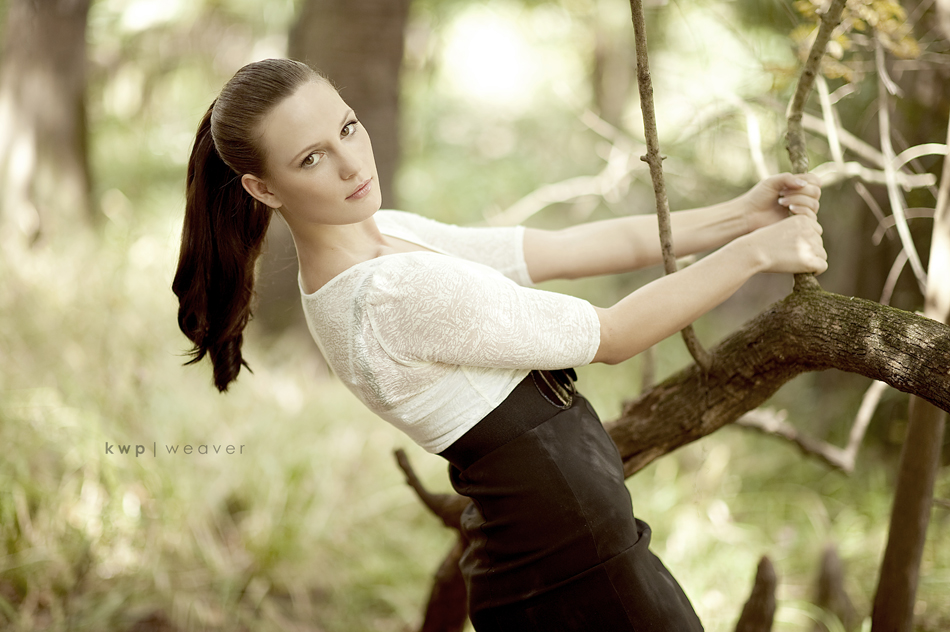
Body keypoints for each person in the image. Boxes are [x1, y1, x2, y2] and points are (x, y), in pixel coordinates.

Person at [173, 58, 826, 631]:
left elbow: (564, 249)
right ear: (262, 188)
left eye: (347, 127)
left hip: (566, 545)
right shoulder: (389, 293)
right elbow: (615, 335)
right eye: (311, 158)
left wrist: (742, 215)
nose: (351, 163)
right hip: (568, 560)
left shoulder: (384, 235)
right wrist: (756, 253)